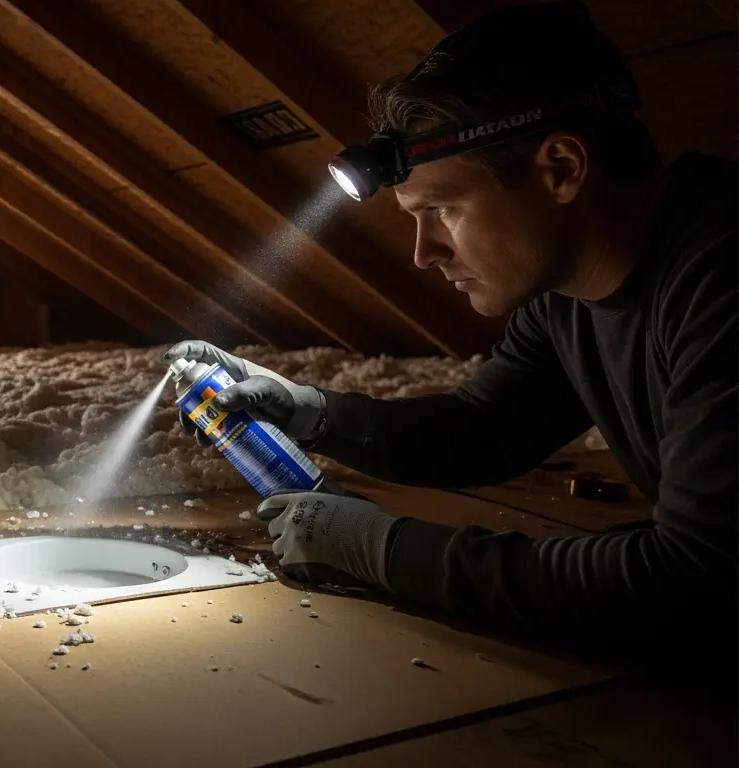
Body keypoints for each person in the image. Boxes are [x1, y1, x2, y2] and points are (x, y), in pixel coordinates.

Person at [166, 1, 736, 658]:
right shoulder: (569, 293)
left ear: (561, 170)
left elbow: (694, 584)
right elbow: (486, 428)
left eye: (443, 209)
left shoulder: (720, 275)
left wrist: (386, 551)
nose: (423, 253)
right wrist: (312, 412)